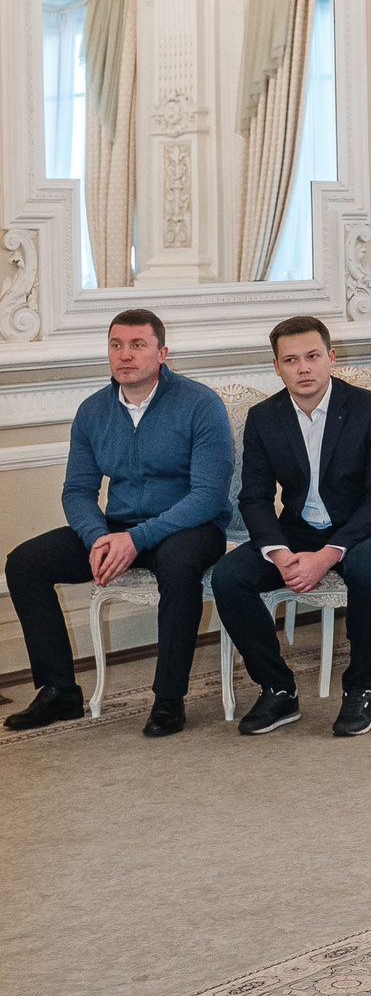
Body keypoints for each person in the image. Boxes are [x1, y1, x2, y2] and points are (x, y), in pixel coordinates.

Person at [4, 307, 230, 737]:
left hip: (190, 528)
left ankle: (168, 699)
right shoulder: (93, 411)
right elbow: (77, 490)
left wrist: (136, 538)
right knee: (25, 562)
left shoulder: (201, 404)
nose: (125, 355)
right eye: (116, 345)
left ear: (162, 353)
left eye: (137, 345)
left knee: (179, 566)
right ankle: (59, 690)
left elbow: (208, 496)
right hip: (118, 527)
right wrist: (98, 538)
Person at [210, 317, 371, 738]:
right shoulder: (264, 417)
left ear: (331, 358)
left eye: (313, 356)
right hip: (299, 530)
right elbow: (255, 498)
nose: (303, 368)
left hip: (367, 527)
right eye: (291, 360)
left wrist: (328, 555)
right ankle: (278, 689)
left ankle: (360, 689)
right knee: (229, 576)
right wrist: (279, 552)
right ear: (276, 366)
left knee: (368, 569)